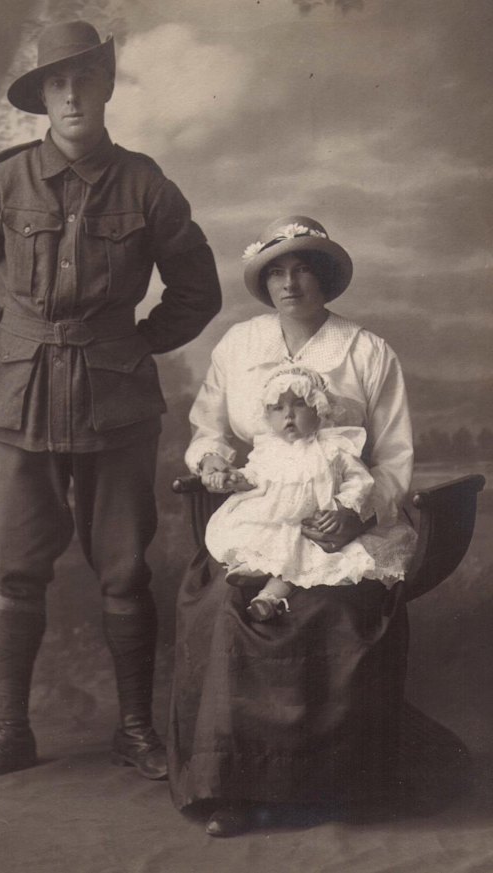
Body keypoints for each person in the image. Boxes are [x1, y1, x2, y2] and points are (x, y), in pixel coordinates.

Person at [0, 20, 221, 780]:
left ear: (105, 88)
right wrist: (7, 338)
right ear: (42, 98)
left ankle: (134, 729)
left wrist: (137, 342)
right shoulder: (2, 182)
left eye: (84, 78)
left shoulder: (146, 184)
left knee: (125, 571)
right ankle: (10, 731)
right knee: (16, 571)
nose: (71, 94)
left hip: (114, 400)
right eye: (57, 82)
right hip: (15, 403)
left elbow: (197, 288)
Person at [168, 214, 417, 836]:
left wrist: (355, 514)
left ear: (326, 276)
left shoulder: (366, 352)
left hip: (343, 528)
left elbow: (394, 461)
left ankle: (320, 786)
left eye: (304, 267)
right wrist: (216, 462)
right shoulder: (239, 345)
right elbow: (207, 431)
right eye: (276, 271)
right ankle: (229, 785)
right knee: (225, 605)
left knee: (330, 610)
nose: (290, 282)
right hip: (260, 518)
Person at [204, 366, 417, 621]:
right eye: (278, 408)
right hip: (277, 522)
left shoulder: (333, 448)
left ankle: (268, 598)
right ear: (267, 415)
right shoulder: (269, 450)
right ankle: (259, 574)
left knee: (305, 554)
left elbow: (359, 481)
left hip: (315, 526)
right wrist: (236, 479)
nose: (289, 416)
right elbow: (255, 478)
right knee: (271, 542)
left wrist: (343, 507)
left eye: (299, 405)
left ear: (319, 408)